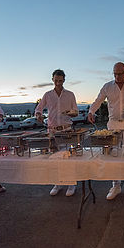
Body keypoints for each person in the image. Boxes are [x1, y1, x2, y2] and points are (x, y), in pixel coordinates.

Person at [88, 62, 124, 200]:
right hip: (112, 124)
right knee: (113, 154)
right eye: (115, 74)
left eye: (120, 73)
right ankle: (115, 185)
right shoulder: (107, 86)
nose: (117, 76)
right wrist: (91, 111)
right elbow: (98, 100)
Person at [35, 69, 79, 197]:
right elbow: (38, 109)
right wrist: (38, 115)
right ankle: (57, 183)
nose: (58, 83)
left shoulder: (70, 94)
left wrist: (72, 113)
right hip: (52, 130)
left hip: (66, 130)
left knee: (67, 158)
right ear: (52, 80)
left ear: (64, 80)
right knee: (54, 158)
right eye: (56, 81)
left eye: (60, 81)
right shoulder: (47, 95)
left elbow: (75, 111)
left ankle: (71, 184)